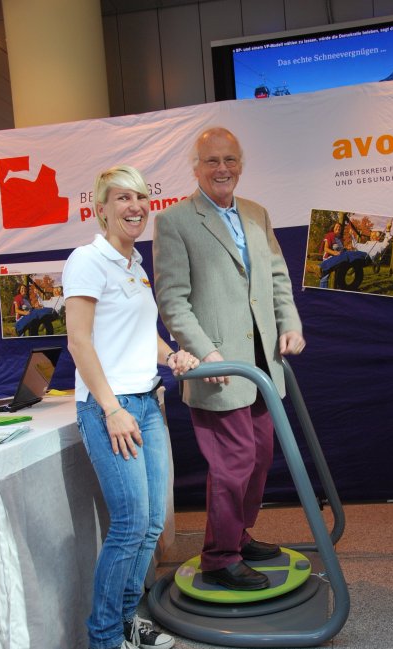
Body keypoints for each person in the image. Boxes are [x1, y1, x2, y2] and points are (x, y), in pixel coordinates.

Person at [62, 165, 199, 649]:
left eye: (141, 197)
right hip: (111, 407)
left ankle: (122, 621)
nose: (135, 206)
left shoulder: (134, 263)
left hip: (145, 401)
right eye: (122, 197)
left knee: (150, 523)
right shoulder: (87, 260)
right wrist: (110, 407)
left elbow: (144, 334)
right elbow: (79, 340)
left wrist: (172, 354)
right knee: (128, 524)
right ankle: (103, 647)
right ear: (101, 209)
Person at [153, 127, 305, 591]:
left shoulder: (257, 213)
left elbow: (276, 277)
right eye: (212, 161)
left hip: (262, 365)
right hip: (218, 368)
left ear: (241, 164)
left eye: (230, 160)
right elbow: (173, 301)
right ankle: (219, 558)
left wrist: (289, 323)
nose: (222, 169)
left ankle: (237, 535)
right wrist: (206, 352)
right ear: (196, 168)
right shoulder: (175, 221)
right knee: (234, 461)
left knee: (260, 457)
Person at [320, 222, 344, 288]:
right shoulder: (329, 235)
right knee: (325, 277)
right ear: (333, 228)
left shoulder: (340, 238)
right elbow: (325, 248)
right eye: (337, 226)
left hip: (338, 259)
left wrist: (346, 248)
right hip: (329, 258)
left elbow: (341, 249)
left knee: (338, 277)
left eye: (340, 227)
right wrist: (334, 253)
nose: (338, 228)